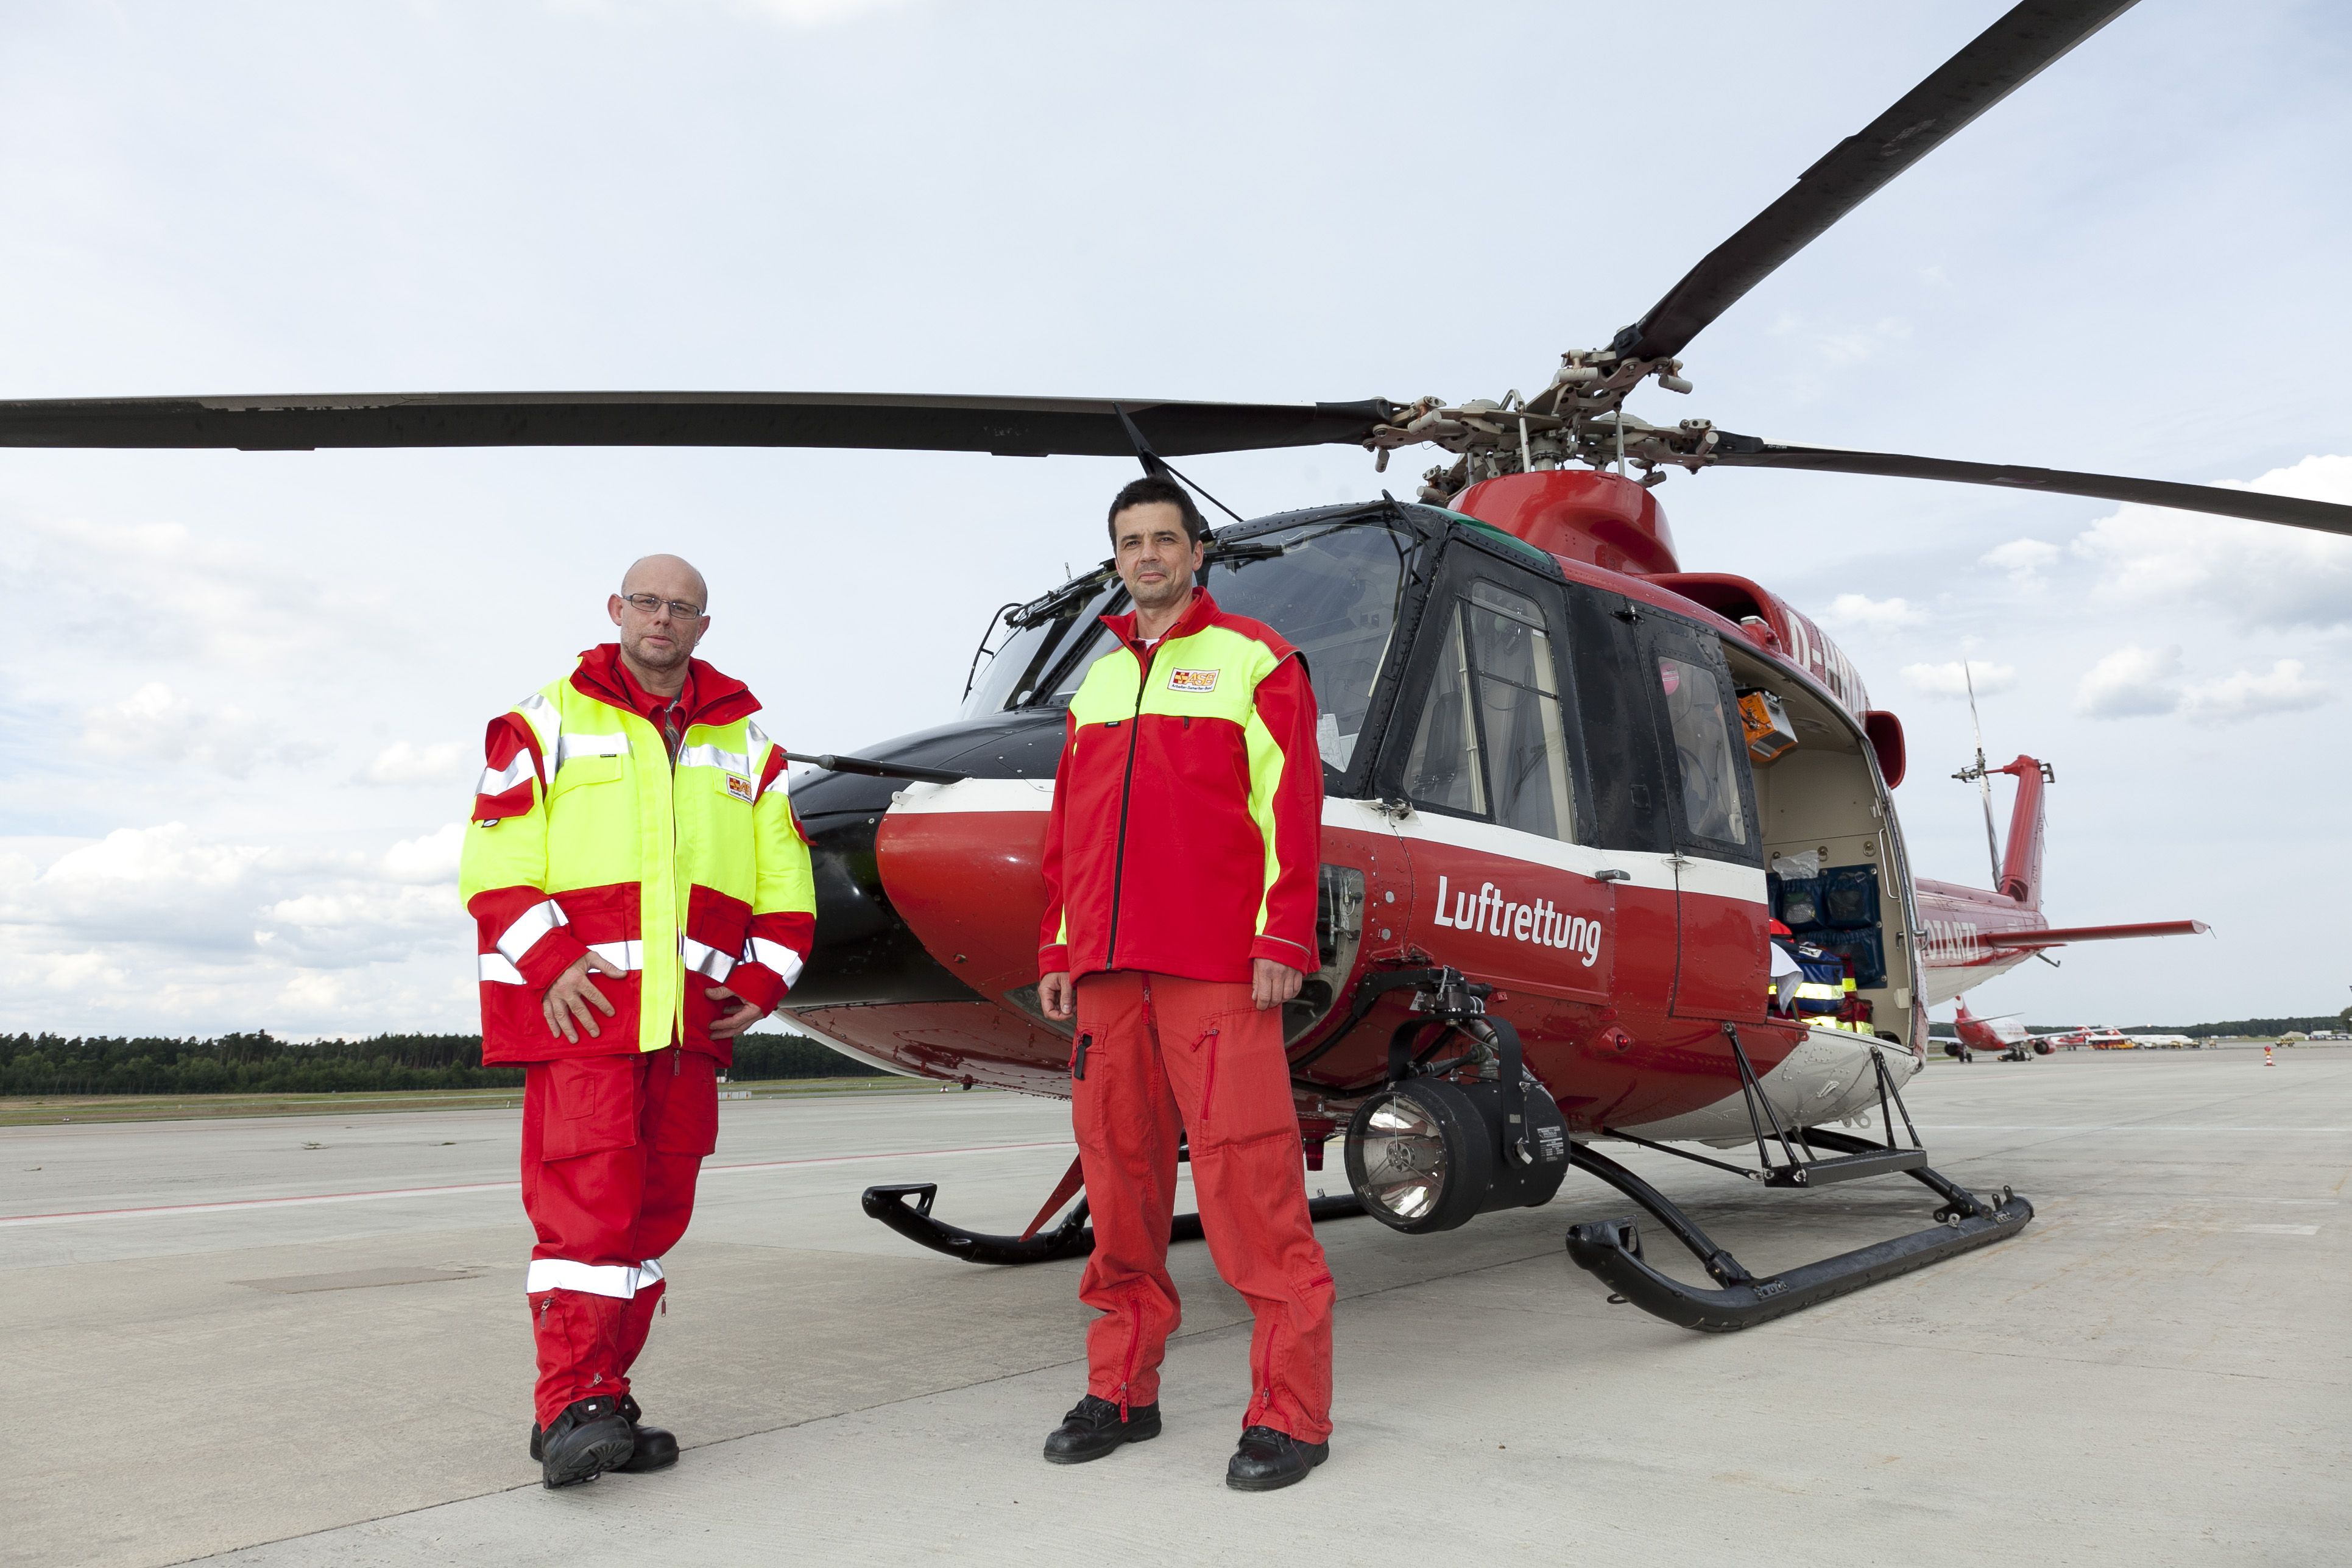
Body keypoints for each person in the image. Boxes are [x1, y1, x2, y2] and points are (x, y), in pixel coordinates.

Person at [457, 554, 815, 1489]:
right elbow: (494, 867)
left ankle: (598, 1397)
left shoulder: (749, 746)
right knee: (585, 1218)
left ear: (704, 625)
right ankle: (568, 1402)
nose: (663, 618)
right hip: (587, 1019)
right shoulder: (544, 721)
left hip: (688, 1028)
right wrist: (551, 960)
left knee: (652, 1218)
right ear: (616, 609)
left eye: (682, 607)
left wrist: (765, 980)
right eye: (647, 602)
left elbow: (787, 882)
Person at [1035, 476, 1335, 1492]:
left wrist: (1281, 935)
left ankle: (1289, 1412)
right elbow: (1067, 832)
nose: (1148, 555)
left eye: (1165, 538)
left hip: (1216, 970)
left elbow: (1289, 808)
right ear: (1115, 556)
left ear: (1197, 551)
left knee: (1248, 1187)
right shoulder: (1097, 683)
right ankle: (1121, 1388)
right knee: (1118, 1186)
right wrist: (1057, 947)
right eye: (1130, 541)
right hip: (1109, 976)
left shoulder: (1254, 661)